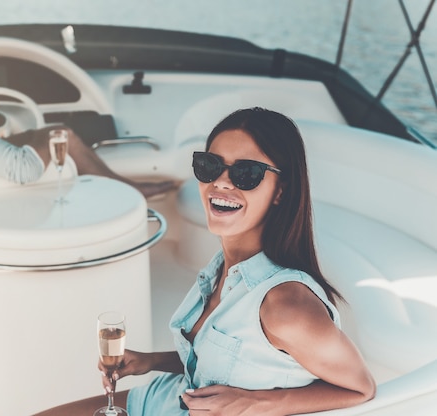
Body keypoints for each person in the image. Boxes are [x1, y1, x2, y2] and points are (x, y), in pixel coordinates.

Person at [35, 107, 376, 415]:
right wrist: (150, 361)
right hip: (167, 399)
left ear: (281, 191)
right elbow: (217, 361)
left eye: (247, 173)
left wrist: (256, 402)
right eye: (210, 166)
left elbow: (360, 387)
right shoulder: (221, 270)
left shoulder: (286, 306)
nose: (221, 182)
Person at [0, 17, 175, 198]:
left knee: (57, 132)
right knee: (62, 137)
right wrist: (55, 138)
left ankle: (126, 189)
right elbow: (22, 170)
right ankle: (130, 193)